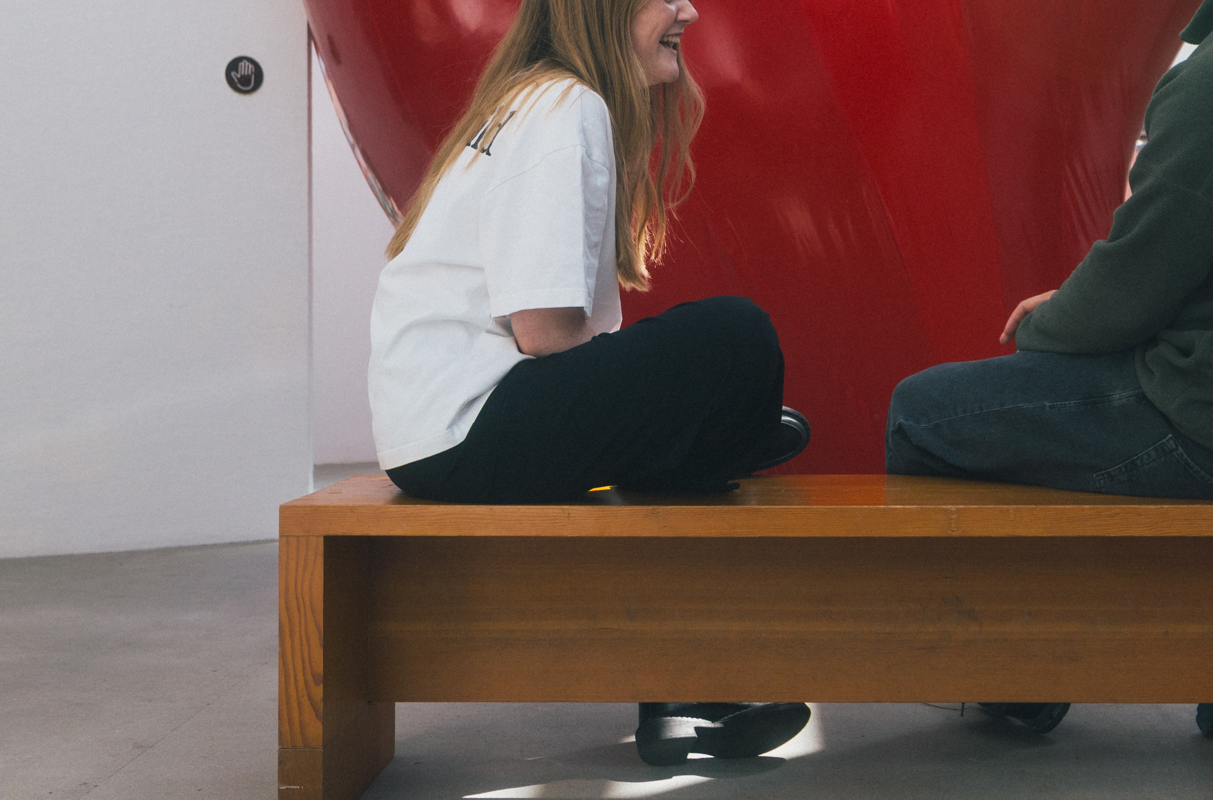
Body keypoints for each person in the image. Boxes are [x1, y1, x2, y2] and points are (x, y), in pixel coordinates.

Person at [368, 0, 812, 765]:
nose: (689, 10)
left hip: (437, 429)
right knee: (738, 335)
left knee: (702, 400)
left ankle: (682, 693)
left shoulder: (533, 98)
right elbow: (545, 335)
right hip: (473, 423)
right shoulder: (565, 105)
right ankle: (720, 451)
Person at [886, 0, 1213, 736]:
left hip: (1200, 415)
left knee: (924, 416)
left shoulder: (1207, 86)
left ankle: (1016, 675)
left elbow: (1140, 276)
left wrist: (1046, 327)